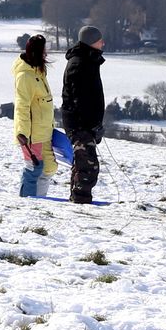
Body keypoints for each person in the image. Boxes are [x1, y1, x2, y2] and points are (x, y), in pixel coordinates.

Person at [60, 25, 106, 204]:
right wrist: (91, 124)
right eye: (99, 40)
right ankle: (80, 202)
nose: (103, 43)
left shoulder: (88, 61)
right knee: (87, 166)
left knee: (84, 163)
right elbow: (80, 99)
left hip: (85, 123)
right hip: (80, 124)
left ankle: (79, 199)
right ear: (91, 41)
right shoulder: (79, 63)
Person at [13, 34, 57, 197]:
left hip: (44, 131)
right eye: (44, 50)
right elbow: (22, 106)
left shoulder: (39, 72)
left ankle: (39, 199)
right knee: (34, 169)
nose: (46, 53)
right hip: (31, 135)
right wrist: (22, 133)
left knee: (49, 168)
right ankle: (30, 203)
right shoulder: (25, 76)